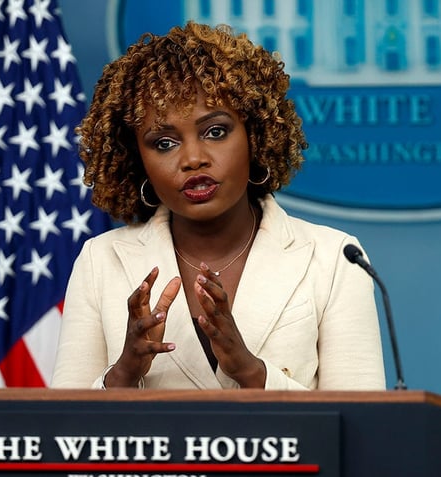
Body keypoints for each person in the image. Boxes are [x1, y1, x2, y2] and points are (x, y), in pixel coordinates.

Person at [51, 21, 385, 390]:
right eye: (163, 143)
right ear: (136, 159)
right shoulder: (101, 260)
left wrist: (253, 373)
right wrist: (124, 374)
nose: (193, 158)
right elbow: (64, 430)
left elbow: (362, 426)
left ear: (254, 135)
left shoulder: (335, 257)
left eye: (215, 131)